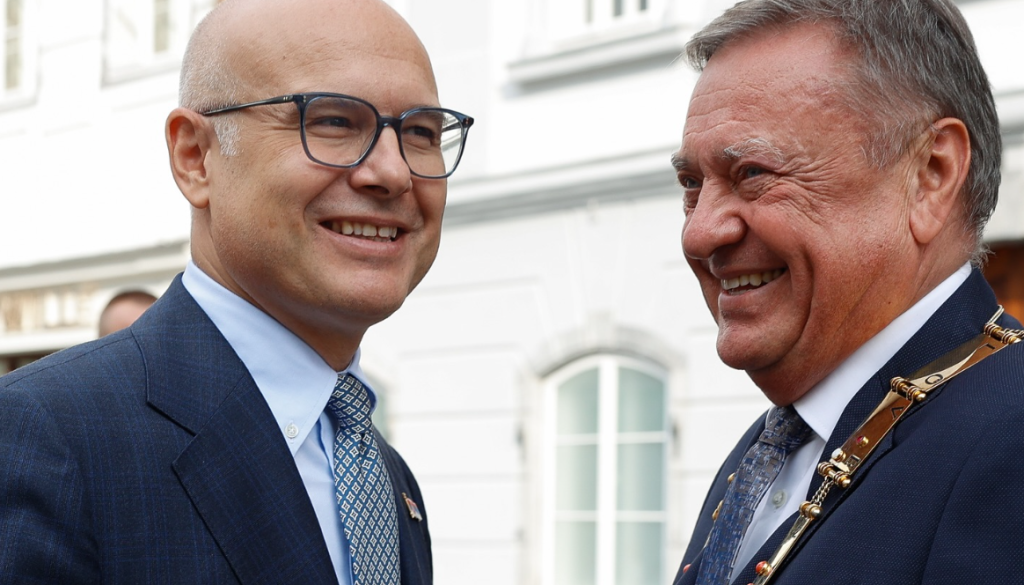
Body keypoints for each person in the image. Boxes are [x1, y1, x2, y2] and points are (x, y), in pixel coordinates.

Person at [0, 0, 473, 583]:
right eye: (332, 121)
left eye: (421, 132)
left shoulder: (386, 476)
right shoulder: (45, 438)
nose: (394, 172)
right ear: (195, 158)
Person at [670, 1, 1023, 584]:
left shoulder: (1010, 438)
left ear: (930, 175)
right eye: (691, 183)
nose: (699, 232)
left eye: (753, 173)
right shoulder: (772, 449)